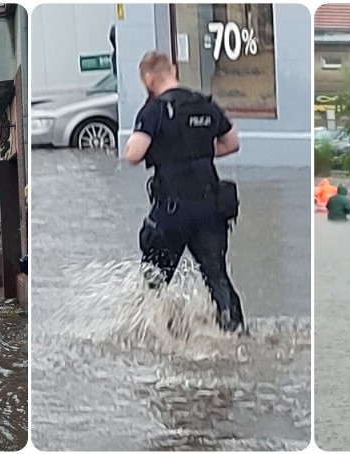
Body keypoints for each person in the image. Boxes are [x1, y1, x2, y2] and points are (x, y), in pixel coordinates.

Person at [123, 50, 245, 333]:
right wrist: (198, 153)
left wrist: (166, 152)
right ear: (174, 70)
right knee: (217, 275)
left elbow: (133, 154)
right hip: (209, 207)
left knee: (154, 279)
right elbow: (232, 143)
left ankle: (152, 335)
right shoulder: (205, 104)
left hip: (172, 211)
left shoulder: (154, 110)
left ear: (149, 79)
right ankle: (234, 332)